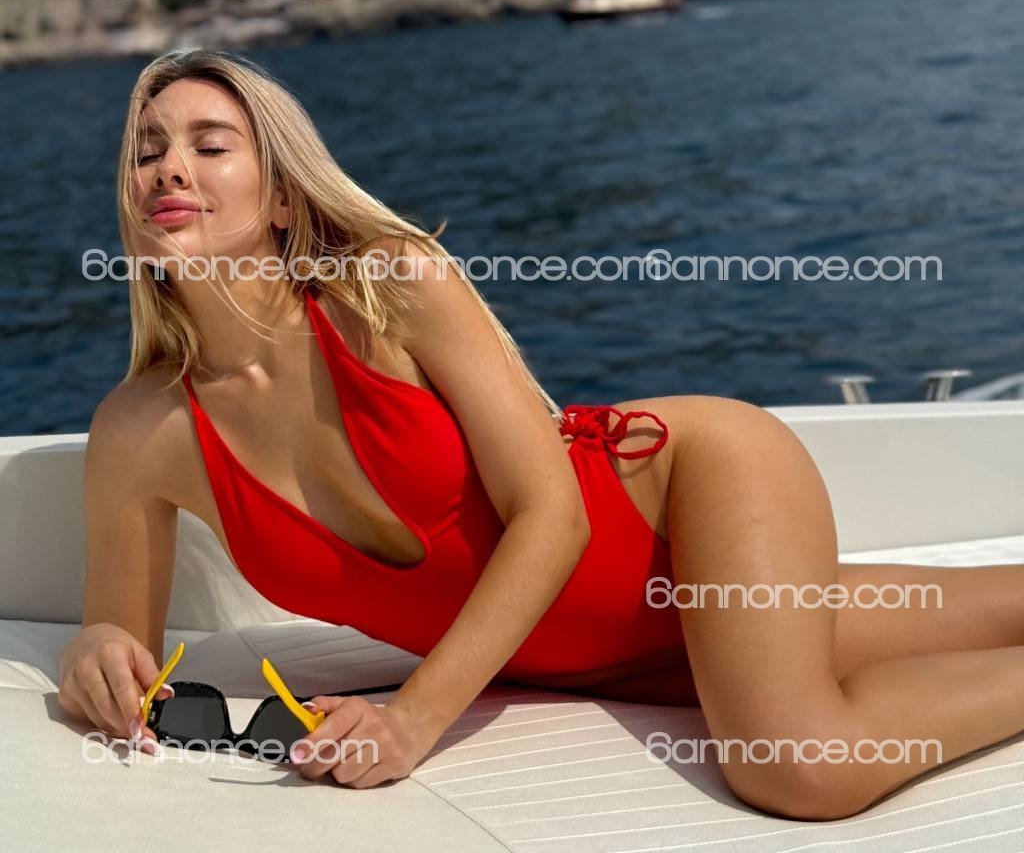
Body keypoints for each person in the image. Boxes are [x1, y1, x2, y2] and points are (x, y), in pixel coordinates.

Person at [57, 49, 1024, 820]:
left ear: (280, 197)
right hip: (605, 646)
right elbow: (118, 636)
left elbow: (552, 513)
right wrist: (94, 658)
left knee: (796, 766)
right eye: (147, 151)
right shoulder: (141, 431)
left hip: (683, 493)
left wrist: (413, 720)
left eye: (210, 145)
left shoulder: (389, 286)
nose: (169, 168)